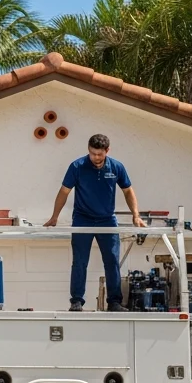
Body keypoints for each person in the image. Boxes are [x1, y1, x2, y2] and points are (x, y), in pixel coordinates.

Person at [44, 133, 145, 311]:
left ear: (107, 151)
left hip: (107, 219)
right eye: (92, 153)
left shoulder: (116, 167)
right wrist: (54, 216)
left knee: (112, 260)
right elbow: (64, 192)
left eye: (99, 154)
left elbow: (128, 191)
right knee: (80, 261)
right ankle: (76, 301)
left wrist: (135, 215)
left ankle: (114, 301)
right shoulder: (77, 166)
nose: (96, 157)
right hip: (83, 219)